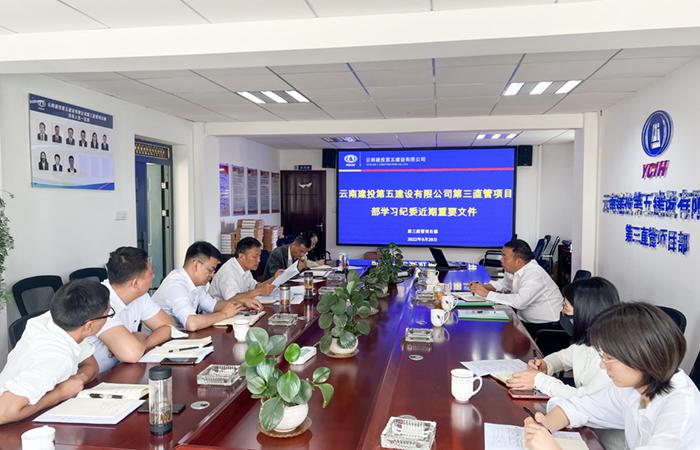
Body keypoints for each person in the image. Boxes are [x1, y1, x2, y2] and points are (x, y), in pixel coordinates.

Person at [524, 302, 700, 450]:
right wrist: (545, 424)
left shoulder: (681, 412)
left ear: (640, 357)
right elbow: (582, 407)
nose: (602, 365)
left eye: (608, 358)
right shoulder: (637, 385)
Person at [0, 280, 111, 425]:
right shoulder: (56, 358)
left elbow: (91, 366)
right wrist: (60, 393)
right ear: (89, 326)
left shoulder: (60, 321)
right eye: (108, 314)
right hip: (12, 427)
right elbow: (3, 412)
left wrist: (79, 379)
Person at [508, 277, 620, 397]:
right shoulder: (586, 341)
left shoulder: (611, 356)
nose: (562, 312)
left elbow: (586, 398)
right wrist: (545, 365)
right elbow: (561, 358)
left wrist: (539, 381)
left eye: (565, 307)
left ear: (584, 313)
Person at [90, 246, 174, 372]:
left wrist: (142, 341)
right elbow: (132, 354)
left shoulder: (140, 296)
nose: (153, 276)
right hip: (97, 378)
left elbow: (169, 327)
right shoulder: (99, 301)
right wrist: (138, 339)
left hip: (122, 370)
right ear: (135, 283)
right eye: (150, 273)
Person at [468, 239, 562, 331]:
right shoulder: (514, 269)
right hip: (524, 321)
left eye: (504, 257)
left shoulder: (534, 274)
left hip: (547, 327)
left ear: (518, 261)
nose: (501, 260)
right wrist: (482, 287)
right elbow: (503, 284)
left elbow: (520, 302)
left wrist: (486, 294)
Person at [152, 241, 245, 331]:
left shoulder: (196, 283)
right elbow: (191, 323)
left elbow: (213, 306)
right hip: (161, 339)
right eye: (210, 270)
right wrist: (224, 314)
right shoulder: (176, 285)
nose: (212, 275)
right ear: (196, 265)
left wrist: (240, 303)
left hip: (178, 334)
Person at [210, 237, 283, 305]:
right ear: (241, 256)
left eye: (259, 256)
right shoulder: (228, 272)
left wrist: (274, 278)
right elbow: (232, 299)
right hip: (220, 311)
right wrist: (259, 291)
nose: (259, 260)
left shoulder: (245, 268)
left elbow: (255, 287)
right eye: (254, 257)